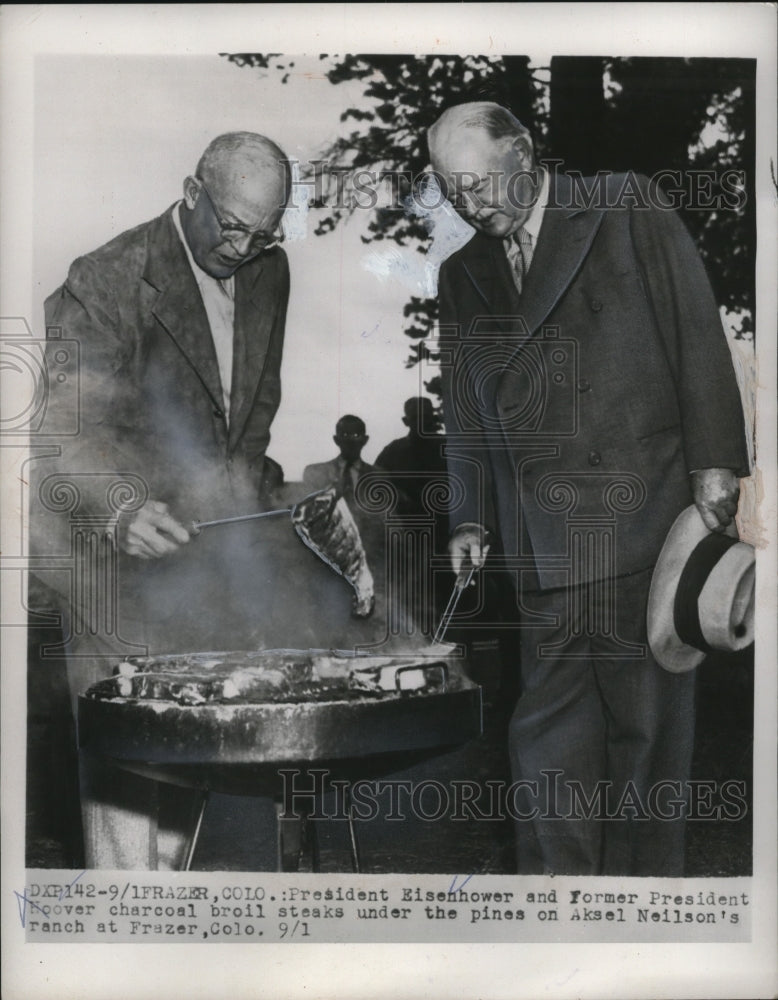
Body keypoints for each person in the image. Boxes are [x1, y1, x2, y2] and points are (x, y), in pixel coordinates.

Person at [428, 102, 749, 876]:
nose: (471, 204)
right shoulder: (462, 272)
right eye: (450, 191)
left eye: (478, 183)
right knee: (544, 742)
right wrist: (469, 515)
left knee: (645, 742)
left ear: (525, 152)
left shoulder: (624, 204)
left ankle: (646, 916)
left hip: (645, 522)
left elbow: (694, 328)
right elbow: (466, 404)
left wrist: (717, 461)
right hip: (540, 545)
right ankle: (555, 915)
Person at [32, 131, 292, 869]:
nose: (245, 247)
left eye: (265, 231)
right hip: (108, 556)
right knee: (124, 776)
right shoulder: (109, 276)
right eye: (233, 225)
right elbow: (59, 424)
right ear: (191, 192)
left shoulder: (270, 270)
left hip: (204, 559)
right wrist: (119, 508)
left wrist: (245, 513)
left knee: (193, 757)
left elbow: (253, 404)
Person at [375, 397, 447, 515]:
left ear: (433, 418)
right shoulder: (392, 451)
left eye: (425, 417)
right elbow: (375, 484)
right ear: (405, 421)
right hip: (406, 524)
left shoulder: (449, 447)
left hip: (446, 522)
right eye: (415, 418)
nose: (421, 422)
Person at [302, 414, 374, 502]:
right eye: (344, 435)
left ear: (365, 439)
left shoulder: (378, 476)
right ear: (336, 439)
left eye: (356, 435)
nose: (350, 440)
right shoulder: (316, 473)